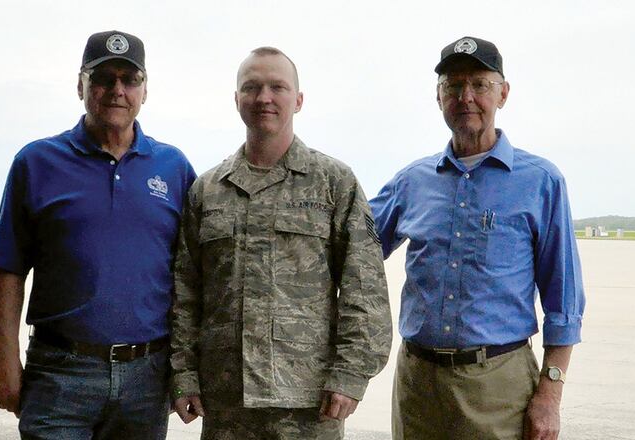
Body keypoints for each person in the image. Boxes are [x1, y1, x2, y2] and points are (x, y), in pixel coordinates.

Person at [169, 47, 392, 439]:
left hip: (310, 402)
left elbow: (364, 287)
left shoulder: (334, 182)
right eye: (251, 87)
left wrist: (351, 372)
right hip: (226, 402)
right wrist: (183, 374)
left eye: (278, 87)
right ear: (236, 99)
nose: (264, 98)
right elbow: (185, 292)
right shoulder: (207, 190)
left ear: (299, 99)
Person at [370, 36, 586, 440]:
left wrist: (550, 395)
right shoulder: (411, 182)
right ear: (438, 98)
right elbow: (352, 247)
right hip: (418, 387)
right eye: (452, 86)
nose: (465, 97)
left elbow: (565, 299)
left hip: (499, 388)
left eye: (479, 84)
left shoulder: (541, 181)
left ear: (503, 93)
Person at [0, 30, 196, 439]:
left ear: (145, 90)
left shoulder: (174, 168)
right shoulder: (37, 162)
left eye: (129, 79)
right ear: (81, 84)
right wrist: (5, 360)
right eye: (104, 78)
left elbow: (190, 279)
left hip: (146, 377)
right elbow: (9, 270)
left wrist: (186, 370)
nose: (117, 90)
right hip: (60, 375)